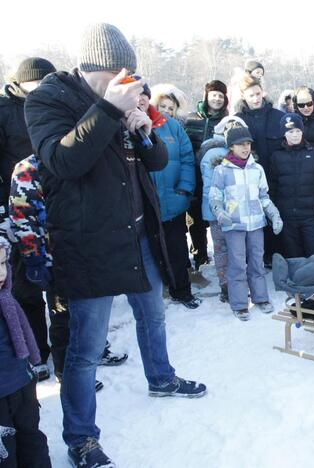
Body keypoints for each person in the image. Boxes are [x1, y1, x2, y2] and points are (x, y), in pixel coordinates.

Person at [24, 23, 207, 466]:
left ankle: (161, 377)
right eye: (120, 73)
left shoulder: (119, 99)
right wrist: (109, 109)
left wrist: (144, 130)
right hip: (88, 244)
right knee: (86, 350)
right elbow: (62, 161)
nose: (130, 81)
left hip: (137, 233)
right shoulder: (49, 99)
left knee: (153, 315)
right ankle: (81, 437)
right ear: (94, 69)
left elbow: (159, 161)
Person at [10, 152, 127, 391]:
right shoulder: (28, 168)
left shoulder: (84, 158)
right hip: (56, 259)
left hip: (91, 253)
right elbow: (22, 218)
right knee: (63, 316)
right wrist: (34, 259)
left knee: (94, 309)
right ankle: (67, 372)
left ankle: (95, 350)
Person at [0, 57, 56, 382]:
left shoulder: (56, 104)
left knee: (64, 288)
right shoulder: (6, 109)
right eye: (35, 83)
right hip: (16, 208)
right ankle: (38, 354)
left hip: (56, 207)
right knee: (27, 286)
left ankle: (70, 349)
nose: (40, 88)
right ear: (20, 83)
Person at [208, 126, 283, 321]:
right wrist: (220, 212)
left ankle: (261, 297)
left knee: (257, 261)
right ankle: (240, 303)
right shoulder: (221, 170)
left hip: (256, 223)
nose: (245, 148)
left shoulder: (256, 169)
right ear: (231, 146)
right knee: (238, 263)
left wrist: (274, 215)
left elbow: (263, 196)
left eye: (248, 144)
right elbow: (215, 197)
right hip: (234, 225)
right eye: (240, 144)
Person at [139, 86, 201, 308]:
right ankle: (157, 291)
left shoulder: (174, 128)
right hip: (146, 204)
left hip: (173, 200)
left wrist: (184, 190)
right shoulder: (134, 125)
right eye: (162, 106)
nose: (165, 111)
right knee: (151, 251)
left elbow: (186, 159)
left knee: (177, 247)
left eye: (170, 108)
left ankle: (182, 291)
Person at [0, 237, 51, 468]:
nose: (1, 273)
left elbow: (24, 338)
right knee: (5, 453)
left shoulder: (7, 300)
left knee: (32, 440)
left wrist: (30, 368)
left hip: (22, 385)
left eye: (2, 264)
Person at [235, 74, 285, 268]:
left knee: (277, 217)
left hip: (277, 178)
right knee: (256, 220)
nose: (255, 98)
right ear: (243, 96)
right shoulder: (239, 120)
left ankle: (277, 256)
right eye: (251, 95)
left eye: (258, 93)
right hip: (250, 181)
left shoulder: (278, 117)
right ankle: (258, 259)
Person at [199, 116, 249, 303]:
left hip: (237, 212)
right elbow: (210, 188)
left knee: (235, 250)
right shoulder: (214, 155)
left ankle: (235, 284)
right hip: (219, 212)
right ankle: (227, 286)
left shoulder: (240, 152)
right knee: (224, 250)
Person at [267, 113, 314, 258]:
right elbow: (272, 186)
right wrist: (273, 212)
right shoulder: (277, 156)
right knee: (293, 255)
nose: (295, 135)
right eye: (290, 131)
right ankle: (298, 280)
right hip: (287, 216)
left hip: (310, 215)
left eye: (298, 131)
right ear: (284, 134)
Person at [183, 80, 229, 270]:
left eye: (220, 95)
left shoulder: (226, 121)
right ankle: (200, 255)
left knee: (217, 211)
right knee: (195, 217)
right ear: (206, 96)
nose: (217, 99)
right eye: (213, 95)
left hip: (216, 174)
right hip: (194, 173)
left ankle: (222, 252)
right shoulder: (191, 119)